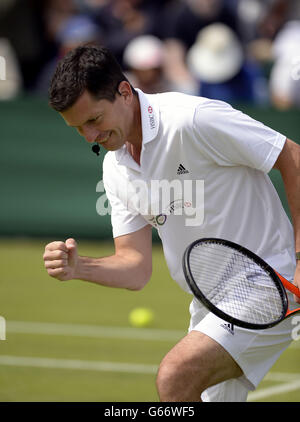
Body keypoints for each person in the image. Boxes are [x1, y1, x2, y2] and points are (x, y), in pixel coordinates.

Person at [43, 45, 300, 402]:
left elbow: (292, 156)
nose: (89, 137)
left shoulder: (192, 119)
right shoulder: (115, 169)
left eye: (94, 120)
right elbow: (135, 268)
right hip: (210, 304)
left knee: (175, 378)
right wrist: (79, 267)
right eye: (78, 129)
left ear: (124, 93)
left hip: (270, 282)